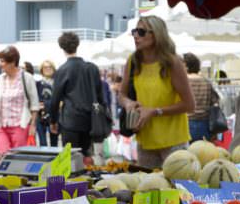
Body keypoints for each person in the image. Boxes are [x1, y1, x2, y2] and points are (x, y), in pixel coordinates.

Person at [118, 16, 195, 168]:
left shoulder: (172, 63)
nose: (135, 36)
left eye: (141, 32)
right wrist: (128, 103)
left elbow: (189, 105)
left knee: (175, 190)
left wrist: (155, 111)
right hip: (145, 140)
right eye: (134, 31)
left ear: (156, 35)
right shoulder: (133, 61)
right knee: (147, 189)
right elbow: (122, 95)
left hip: (173, 141)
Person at [49, 31, 105, 157]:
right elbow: (100, 96)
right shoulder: (92, 68)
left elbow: (55, 99)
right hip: (90, 119)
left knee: (70, 159)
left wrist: (53, 121)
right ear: (77, 45)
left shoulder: (62, 70)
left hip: (70, 120)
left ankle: (70, 178)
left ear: (62, 47)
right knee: (86, 157)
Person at [0, 45, 40, 153]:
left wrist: (33, 126)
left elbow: (34, 105)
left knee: (18, 157)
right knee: (2, 157)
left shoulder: (27, 78)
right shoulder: (0, 79)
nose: (0, 64)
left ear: (13, 62)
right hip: (0, 125)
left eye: (3, 61)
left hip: (20, 125)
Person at [184, 52, 218, 142]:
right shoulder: (206, 82)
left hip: (185, 122)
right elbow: (215, 101)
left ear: (186, 66)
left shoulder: (183, 82)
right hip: (204, 123)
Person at [36, 60, 59, 147]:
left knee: (54, 143)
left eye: (50, 67)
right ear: (42, 69)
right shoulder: (37, 84)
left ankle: (55, 160)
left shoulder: (58, 83)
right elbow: (35, 98)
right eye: (45, 67)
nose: (48, 69)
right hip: (41, 115)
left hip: (54, 115)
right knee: (42, 143)